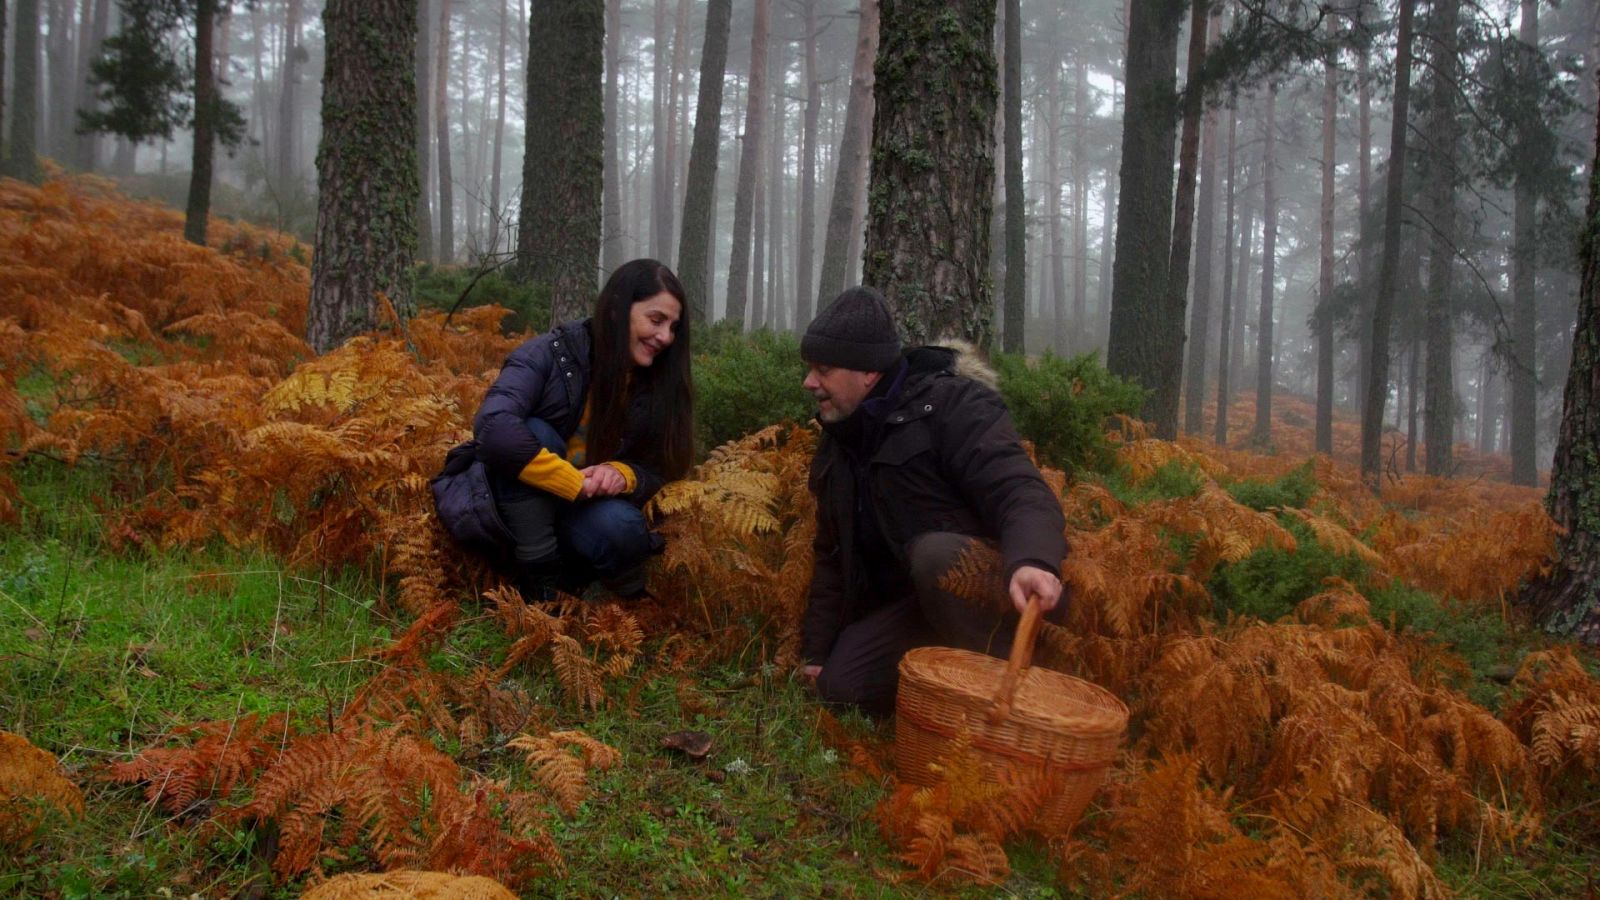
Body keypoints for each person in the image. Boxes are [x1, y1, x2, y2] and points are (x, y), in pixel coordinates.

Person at [798, 286, 1067, 715]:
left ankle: (1015, 700)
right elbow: (830, 553)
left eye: (823, 369)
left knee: (936, 556)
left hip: (991, 594)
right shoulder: (840, 438)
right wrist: (817, 653)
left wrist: (1034, 559)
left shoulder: (953, 405)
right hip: (913, 611)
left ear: (868, 373)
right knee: (842, 688)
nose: (809, 382)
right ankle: (942, 693)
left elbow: (1020, 490)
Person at [431, 259, 694, 601]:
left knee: (623, 527)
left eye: (673, 327)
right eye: (656, 320)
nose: (665, 337)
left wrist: (624, 474)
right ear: (616, 309)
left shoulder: (658, 385)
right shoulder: (550, 354)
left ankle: (619, 600)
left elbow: (665, 470)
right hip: (513, 502)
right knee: (537, 431)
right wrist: (572, 483)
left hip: (580, 514)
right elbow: (493, 426)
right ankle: (538, 578)